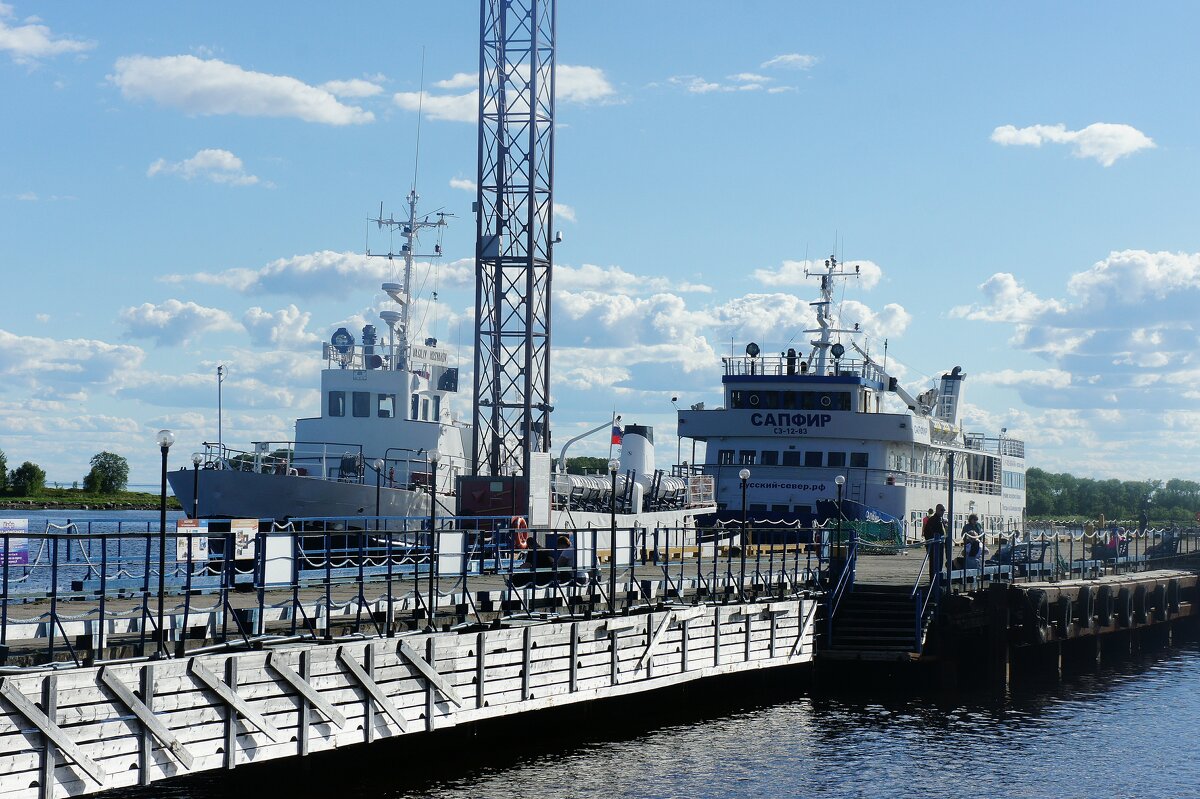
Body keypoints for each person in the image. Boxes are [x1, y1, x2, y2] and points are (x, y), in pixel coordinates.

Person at [922, 504, 946, 582]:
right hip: (934, 545)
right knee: (934, 563)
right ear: (937, 510)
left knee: (940, 562)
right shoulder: (933, 520)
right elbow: (927, 532)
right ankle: (933, 580)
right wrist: (931, 542)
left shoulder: (941, 520)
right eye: (942, 510)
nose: (943, 512)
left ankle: (938, 579)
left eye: (944, 510)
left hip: (940, 544)